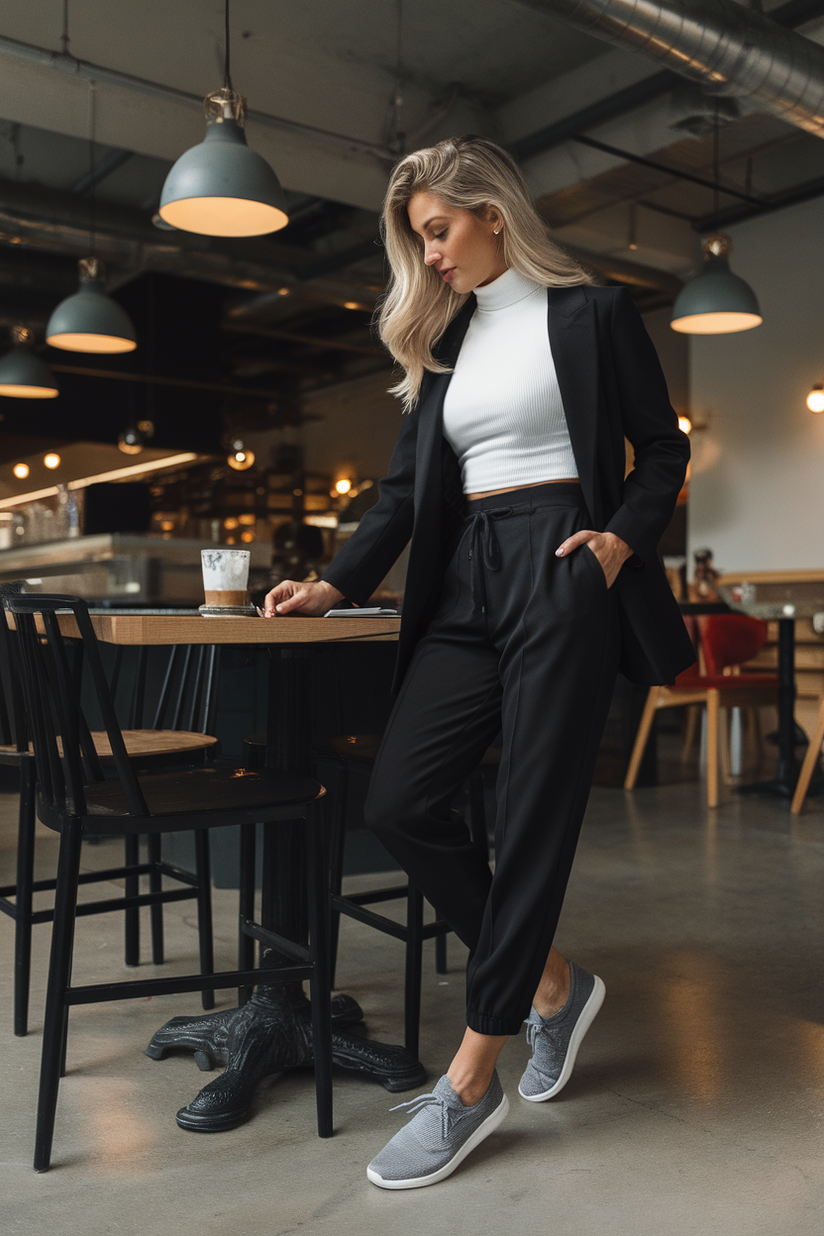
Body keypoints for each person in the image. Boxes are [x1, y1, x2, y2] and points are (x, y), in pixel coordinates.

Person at [264, 134, 694, 1189]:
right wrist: (334, 583)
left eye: (438, 231)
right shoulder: (441, 339)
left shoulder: (591, 315)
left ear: (491, 211)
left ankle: (470, 1077)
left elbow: (662, 451)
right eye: (418, 240)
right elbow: (406, 495)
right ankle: (552, 985)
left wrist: (616, 541)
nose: (431, 257)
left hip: (562, 562)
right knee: (403, 800)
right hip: (464, 577)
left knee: (532, 821)